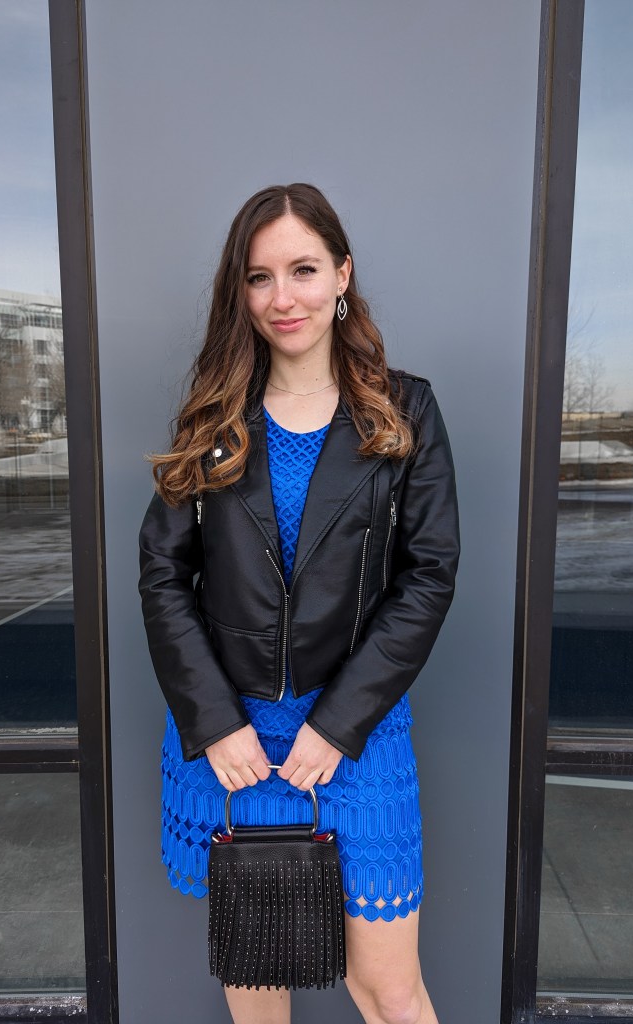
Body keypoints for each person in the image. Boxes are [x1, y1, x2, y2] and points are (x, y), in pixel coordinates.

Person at [138, 183, 460, 1024]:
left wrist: (337, 723)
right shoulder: (212, 417)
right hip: (230, 745)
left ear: (342, 273)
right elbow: (163, 576)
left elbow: (427, 577)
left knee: (388, 990)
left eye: (303, 269)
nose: (282, 298)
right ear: (238, 293)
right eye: (258, 277)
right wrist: (212, 721)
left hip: (351, 738)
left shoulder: (404, 411)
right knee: (257, 981)